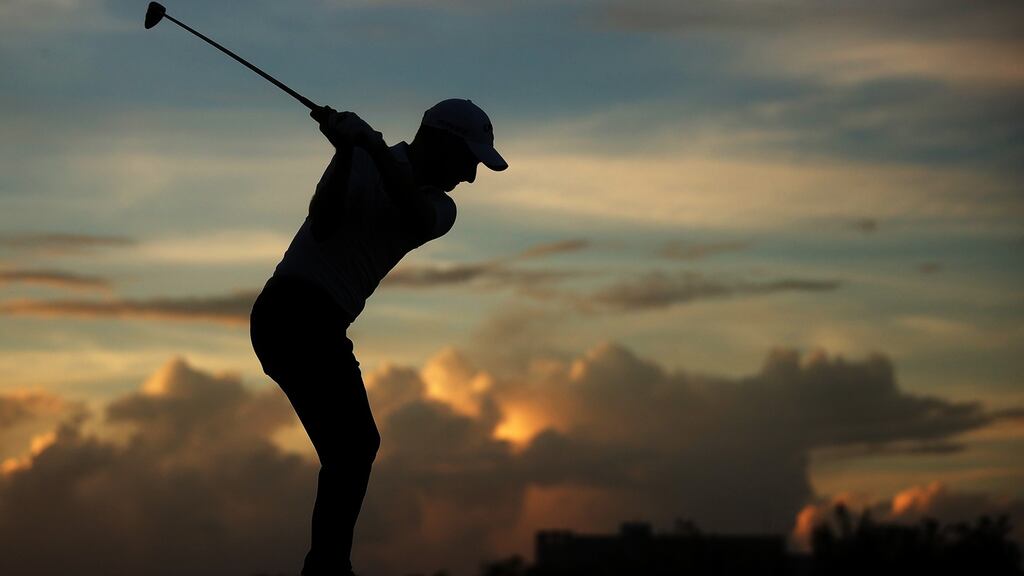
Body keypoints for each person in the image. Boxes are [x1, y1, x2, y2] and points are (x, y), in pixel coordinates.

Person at [249, 99, 507, 576]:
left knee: (352, 448)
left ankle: (326, 567)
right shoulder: (363, 160)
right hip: (290, 313)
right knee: (354, 447)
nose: (471, 177)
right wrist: (347, 152)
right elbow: (324, 222)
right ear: (441, 143)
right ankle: (328, 569)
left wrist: (367, 146)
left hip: (317, 324)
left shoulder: (441, 208)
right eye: (469, 160)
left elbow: (413, 215)